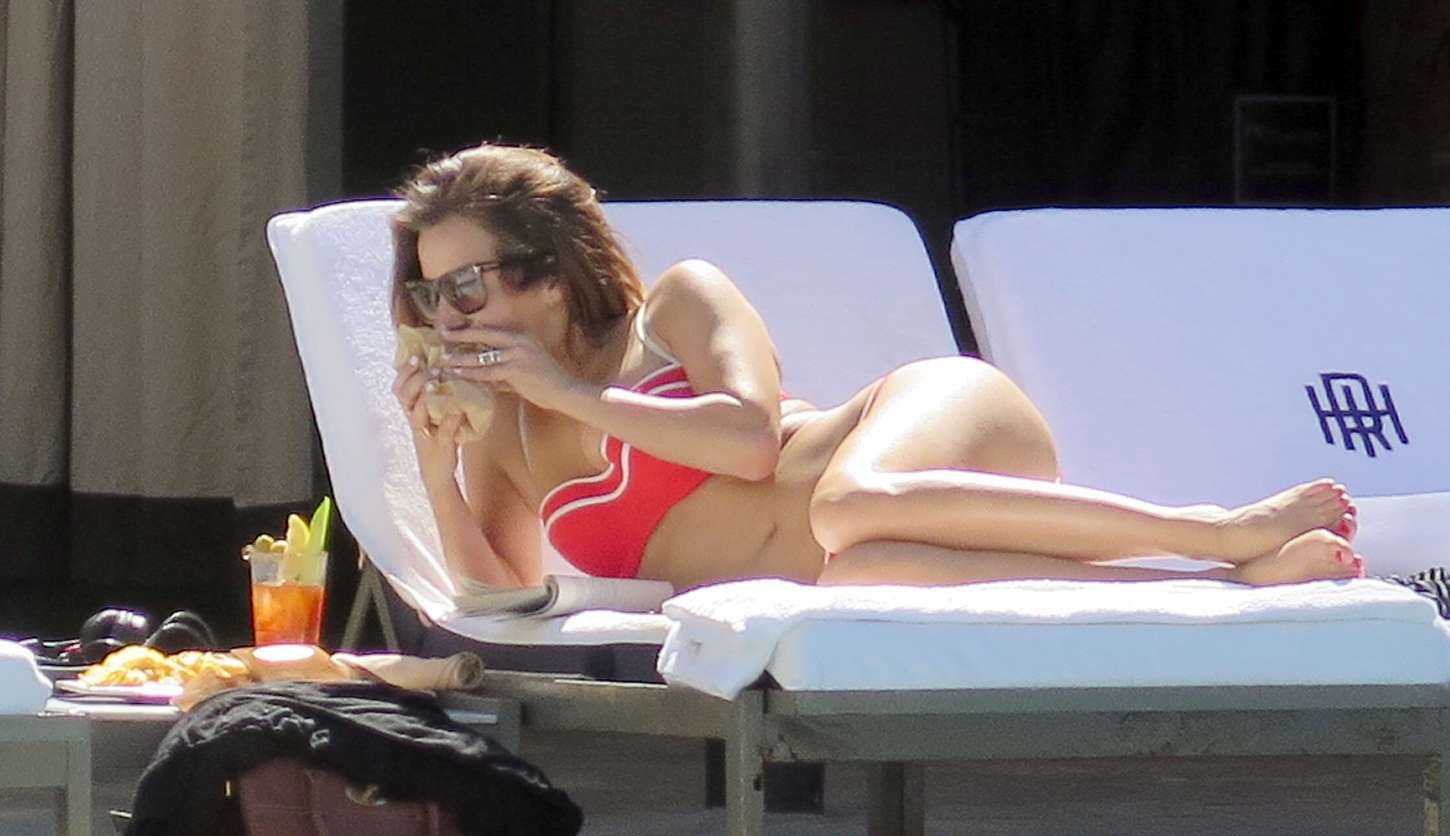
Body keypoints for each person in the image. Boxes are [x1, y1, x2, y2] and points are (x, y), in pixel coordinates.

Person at [390, 143, 1362, 594]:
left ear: (549, 272)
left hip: (927, 421)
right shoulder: (506, 435)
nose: (450, 314)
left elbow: (748, 442)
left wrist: (569, 390)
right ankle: (1218, 586)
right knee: (862, 572)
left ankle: (1212, 528)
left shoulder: (680, 303)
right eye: (432, 294)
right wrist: (436, 467)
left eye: (465, 284)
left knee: (847, 508)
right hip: (856, 556)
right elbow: (500, 597)